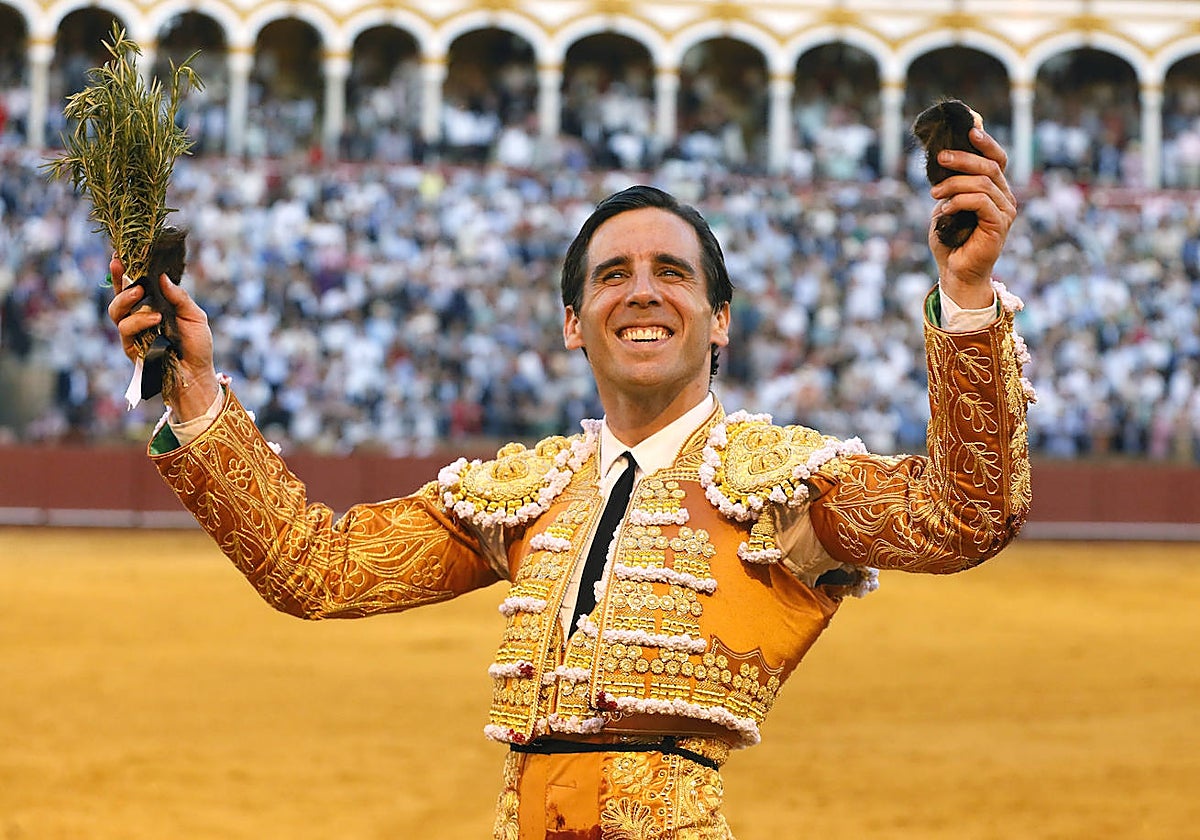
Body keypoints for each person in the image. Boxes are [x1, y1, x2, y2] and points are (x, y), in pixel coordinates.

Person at [108, 124, 1032, 838]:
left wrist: (966, 299)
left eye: (672, 274)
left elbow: (964, 513)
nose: (640, 292)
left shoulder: (784, 487)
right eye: (612, 276)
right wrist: (194, 392)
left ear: (718, 324)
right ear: (571, 323)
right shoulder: (528, 491)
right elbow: (315, 568)